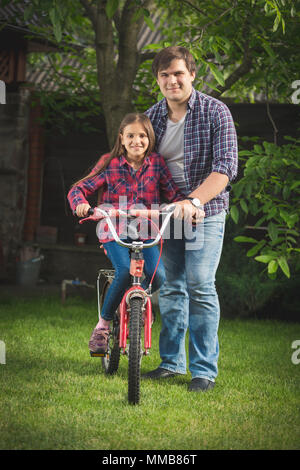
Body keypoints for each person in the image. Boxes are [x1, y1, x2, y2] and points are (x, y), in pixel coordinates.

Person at [143, 46, 238, 392]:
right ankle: (171, 363)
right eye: (165, 75)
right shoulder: (152, 118)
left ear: (192, 75)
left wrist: (195, 200)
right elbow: (139, 165)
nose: (172, 80)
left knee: (199, 283)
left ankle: (203, 371)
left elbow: (226, 167)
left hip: (204, 212)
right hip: (168, 215)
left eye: (178, 73)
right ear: (158, 79)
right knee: (169, 285)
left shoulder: (216, 112)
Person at [67, 113, 189, 354]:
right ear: (121, 138)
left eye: (142, 136)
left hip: (146, 230)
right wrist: (80, 203)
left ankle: (137, 305)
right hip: (114, 229)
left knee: (158, 276)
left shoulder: (157, 163)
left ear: (150, 139)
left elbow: (173, 194)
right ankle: (102, 326)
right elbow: (78, 189)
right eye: (131, 135)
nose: (137, 140)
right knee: (124, 270)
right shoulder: (109, 162)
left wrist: (182, 206)